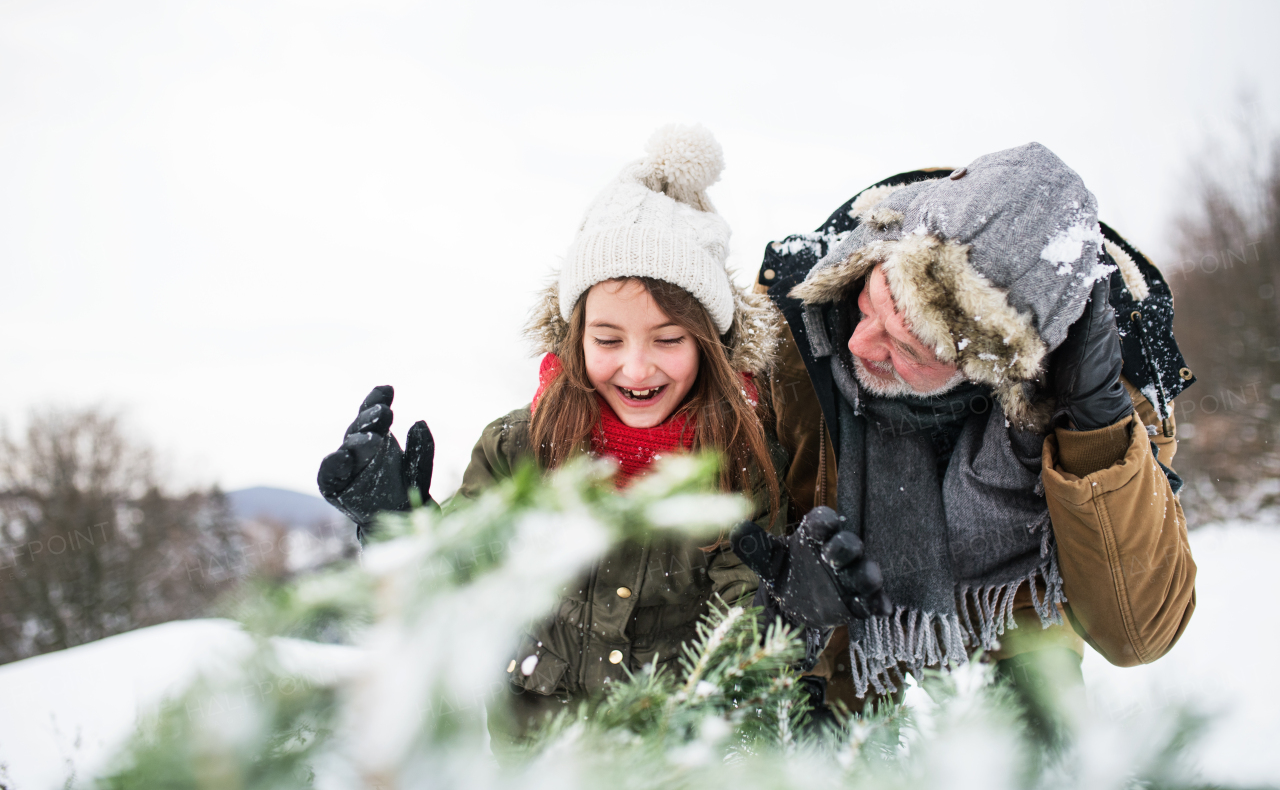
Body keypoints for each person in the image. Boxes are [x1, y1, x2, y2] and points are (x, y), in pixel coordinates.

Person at [315, 125, 891, 746]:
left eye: (668, 339)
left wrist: (793, 611)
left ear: (712, 348)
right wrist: (393, 527)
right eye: (609, 339)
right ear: (575, 335)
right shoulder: (520, 450)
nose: (636, 368)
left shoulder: (741, 465)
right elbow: (456, 589)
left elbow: (745, 654)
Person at [731, 143, 1198, 723]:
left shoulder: (1116, 378)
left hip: (1013, 625)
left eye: (907, 346)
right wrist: (785, 607)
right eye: (870, 302)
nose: (858, 343)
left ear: (997, 366)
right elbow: (719, 531)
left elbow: (1139, 631)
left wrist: (1097, 429)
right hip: (839, 630)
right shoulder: (789, 324)